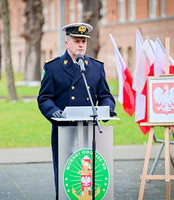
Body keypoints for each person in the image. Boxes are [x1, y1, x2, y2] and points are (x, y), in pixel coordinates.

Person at [37, 22, 116, 199]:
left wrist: (108, 109)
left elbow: (106, 96)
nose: (81, 44)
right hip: (65, 130)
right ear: (67, 43)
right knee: (66, 173)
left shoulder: (96, 67)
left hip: (91, 131)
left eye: (83, 41)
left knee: (90, 175)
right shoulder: (53, 67)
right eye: (76, 41)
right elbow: (44, 98)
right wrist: (53, 111)